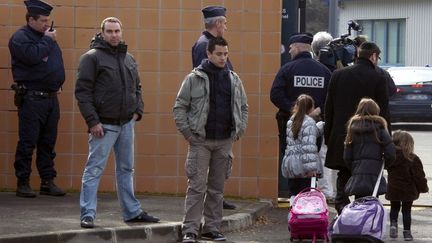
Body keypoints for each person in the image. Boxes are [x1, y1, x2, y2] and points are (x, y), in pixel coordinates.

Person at [75, 17, 160, 229]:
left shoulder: (128, 58)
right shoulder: (91, 58)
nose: (114, 35)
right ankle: (87, 214)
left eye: (117, 31)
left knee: (126, 169)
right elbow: (82, 93)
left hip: (126, 125)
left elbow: (137, 87)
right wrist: (93, 121)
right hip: (103, 126)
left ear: (122, 32)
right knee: (94, 169)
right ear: (102, 33)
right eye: (110, 31)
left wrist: (138, 111)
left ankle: (132, 212)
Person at [173, 37, 248, 243]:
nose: (223, 58)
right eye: (219, 54)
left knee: (217, 188)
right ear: (209, 54)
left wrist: (239, 129)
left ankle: (212, 228)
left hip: (224, 141)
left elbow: (243, 107)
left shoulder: (233, 79)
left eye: (226, 54)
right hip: (200, 141)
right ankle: (190, 229)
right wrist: (188, 134)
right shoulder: (194, 78)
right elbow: (180, 107)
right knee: (196, 187)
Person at [324, 41, 391, 214]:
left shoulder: (338, 75)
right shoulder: (378, 77)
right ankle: (361, 216)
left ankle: (341, 211)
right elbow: (384, 111)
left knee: (343, 173)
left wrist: (328, 135)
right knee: (365, 179)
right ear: (373, 56)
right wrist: (387, 139)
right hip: (371, 138)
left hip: (342, 135)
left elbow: (328, 108)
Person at [8, 0, 66, 198]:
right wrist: (48, 40)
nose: (46, 24)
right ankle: (22, 182)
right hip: (32, 98)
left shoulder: (45, 38)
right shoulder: (21, 38)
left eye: (48, 20)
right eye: (42, 20)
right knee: (28, 142)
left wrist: (57, 82)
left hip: (50, 98)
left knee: (48, 143)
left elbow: (54, 63)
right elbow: (32, 57)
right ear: (30, 19)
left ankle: (47, 181)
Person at [270, 32, 331, 198]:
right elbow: (331, 99)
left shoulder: (287, 69)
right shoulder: (324, 71)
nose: (289, 51)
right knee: (311, 163)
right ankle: (308, 202)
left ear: (297, 48)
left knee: (293, 164)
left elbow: (275, 95)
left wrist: (296, 112)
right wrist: (316, 113)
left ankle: (295, 203)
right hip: (315, 126)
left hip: (290, 127)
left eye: (290, 48)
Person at [192, 5, 236, 210]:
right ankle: (211, 202)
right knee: (208, 166)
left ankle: (215, 198)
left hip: (217, 115)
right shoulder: (205, 45)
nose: (226, 27)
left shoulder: (206, 43)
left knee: (215, 168)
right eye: (225, 23)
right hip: (212, 116)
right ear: (218, 24)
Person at [343, 98, 395, 200]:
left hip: (357, 173)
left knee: (359, 204)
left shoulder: (352, 129)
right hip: (374, 173)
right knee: (373, 203)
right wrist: (383, 165)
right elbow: (391, 153)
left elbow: (347, 156)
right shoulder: (380, 129)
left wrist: (354, 167)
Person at [386, 130, 429, 241]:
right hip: (408, 190)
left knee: (394, 208)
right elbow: (419, 176)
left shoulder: (391, 158)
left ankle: (393, 225)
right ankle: (407, 233)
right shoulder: (413, 158)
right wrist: (424, 188)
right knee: (406, 211)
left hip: (393, 188)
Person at [281, 94, 324, 203]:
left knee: (294, 192)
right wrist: (311, 168)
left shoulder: (291, 121)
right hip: (304, 165)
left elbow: (299, 139)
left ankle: (293, 213)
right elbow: (308, 146)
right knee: (306, 194)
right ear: (310, 108)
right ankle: (304, 217)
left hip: (291, 163)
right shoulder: (309, 122)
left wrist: (318, 127)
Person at [311, 31, 337, 201]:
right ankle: (331, 191)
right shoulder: (337, 70)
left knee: (323, 155)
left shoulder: (316, 68)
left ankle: (325, 191)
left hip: (320, 119)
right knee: (331, 156)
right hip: (334, 120)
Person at [191, 5, 233, 71]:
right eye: (224, 24)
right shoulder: (204, 45)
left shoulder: (210, 42)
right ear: (218, 23)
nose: (225, 28)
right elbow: (202, 76)